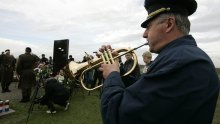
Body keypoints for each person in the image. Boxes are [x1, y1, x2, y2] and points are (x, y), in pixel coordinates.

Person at [98, 0, 220, 124]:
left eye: (148, 27)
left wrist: (111, 75)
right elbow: (141, 91)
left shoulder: (182, 62)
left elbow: (118, 115)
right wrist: (117, 68)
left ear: (169, 24)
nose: (144, 34)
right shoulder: (178, 57)